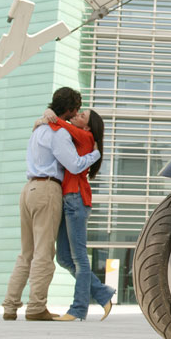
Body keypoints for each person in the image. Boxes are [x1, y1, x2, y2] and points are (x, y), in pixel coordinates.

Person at [2, 87, 101, 321]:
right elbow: (75, 165)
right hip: (47, 189)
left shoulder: (38, 128)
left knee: (26, 253)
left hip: (28, 189)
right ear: (70, 109)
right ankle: (36, 307)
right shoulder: (59, 134)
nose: (77, 114)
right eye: (77, 110)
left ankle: (10, 306)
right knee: (44, 252)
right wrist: (95, 154)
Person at [41, 107, 115, 321]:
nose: (76, 116)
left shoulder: (85, 136)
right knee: (64, 257)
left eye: (82, 116)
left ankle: (78, 309)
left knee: (80, 258)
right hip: (69, 199)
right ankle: (102, 293)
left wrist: (49, 115)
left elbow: (58, 123)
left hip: (76, 199)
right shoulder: (80, 136)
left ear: (88, 127)